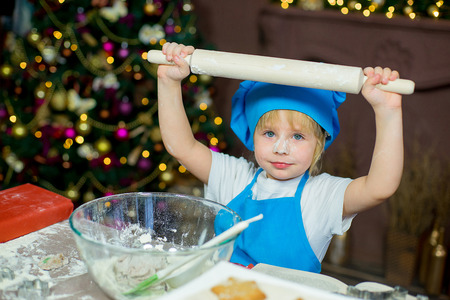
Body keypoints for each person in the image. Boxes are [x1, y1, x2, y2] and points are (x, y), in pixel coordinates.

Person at [156, 42, 403, 272]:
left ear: (320, 142)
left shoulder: (321, 197)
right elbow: (181, 147)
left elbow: (379, 187)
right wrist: (168, 82)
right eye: (270, 133)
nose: (281, 148)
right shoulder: (234, 178)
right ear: (252, 135)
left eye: (297, 137)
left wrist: (387, 112)